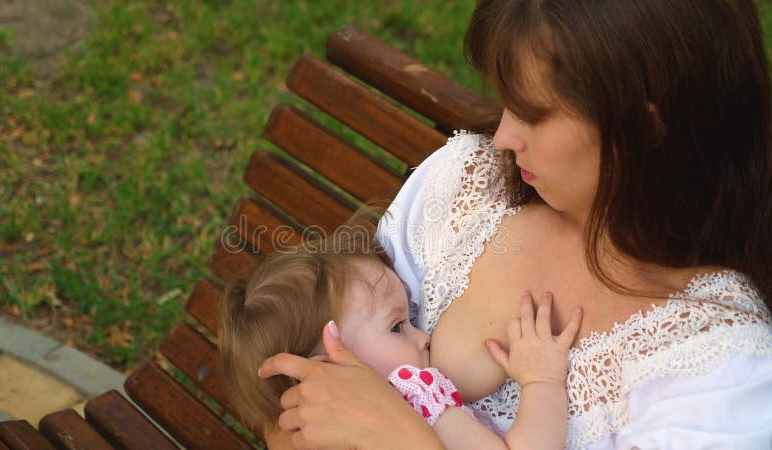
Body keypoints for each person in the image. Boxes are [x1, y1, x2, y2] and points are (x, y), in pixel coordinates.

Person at [259, 0, 772, 448]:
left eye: (532, 113)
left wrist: (400, 437)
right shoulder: (464, 186)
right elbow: (290, 409)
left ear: (646, 128)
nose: (502, 136)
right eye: (505, 101)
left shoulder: (720, 368)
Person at [219, 212, 584, 449]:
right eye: (397, 326)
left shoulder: (307, 436)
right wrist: (541, 382)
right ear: (329, 370)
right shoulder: (415, 406)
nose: (424, 336)